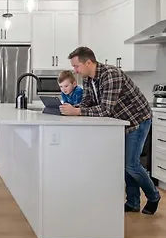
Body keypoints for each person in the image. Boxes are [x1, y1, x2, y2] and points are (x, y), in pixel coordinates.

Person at [60, 46, 160, 215]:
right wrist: (73, 108)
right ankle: (133, 202)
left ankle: (154, 196)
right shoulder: (88, 79)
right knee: (125, 164)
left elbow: (106, 109)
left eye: (76, 66)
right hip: (121, 122)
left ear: (88, 62)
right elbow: (87, 102)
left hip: (137, 120)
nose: (74, 70)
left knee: (131, 164)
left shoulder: (111, 75)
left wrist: (77, 112)